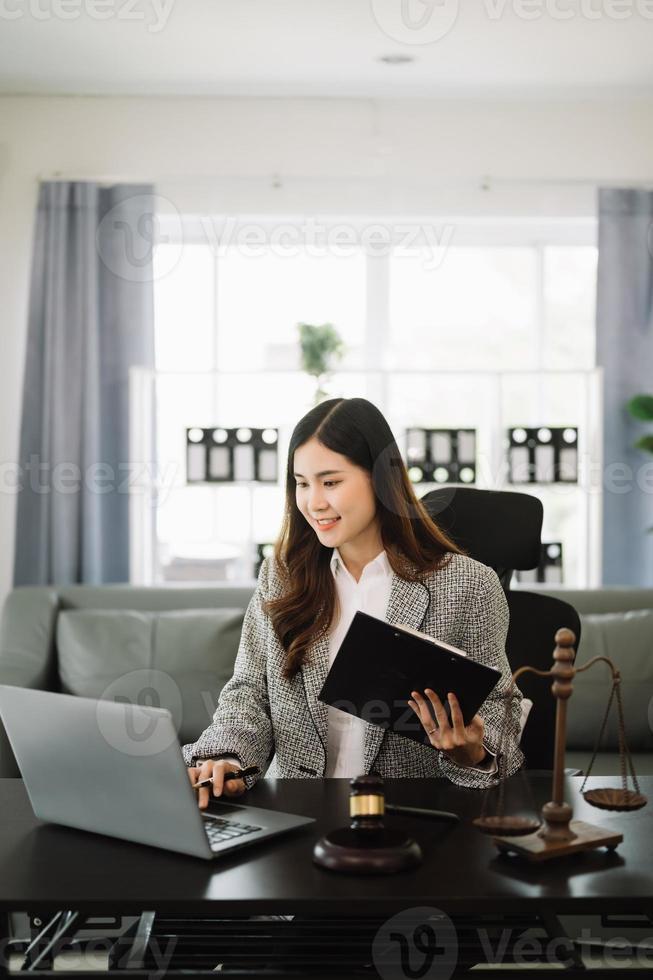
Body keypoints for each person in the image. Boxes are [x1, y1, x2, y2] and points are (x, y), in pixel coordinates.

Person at [184, 397, 524, 809]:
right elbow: (249, 693)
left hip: (409, 821)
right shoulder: (283, 574)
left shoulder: (468, 585)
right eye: (302, 483)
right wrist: (224, 758)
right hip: (298, 816)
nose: (313, 502)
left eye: (330, 482)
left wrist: (470, 751)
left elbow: (500, 717)